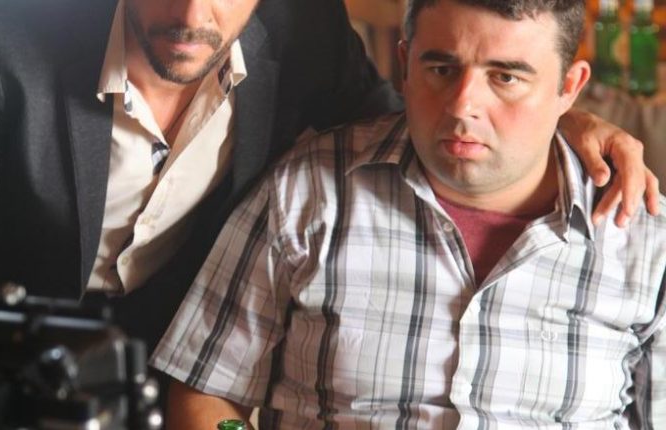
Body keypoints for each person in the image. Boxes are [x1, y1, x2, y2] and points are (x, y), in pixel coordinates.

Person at [0, 0, 658, 358]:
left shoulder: (304, 27)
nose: (192, 14)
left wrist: (559, 120)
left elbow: (425, 122)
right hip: (1, 355)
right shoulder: (2, 27)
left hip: (184, 362)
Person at [150, 0, 666, 428]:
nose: (463, 105)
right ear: (405, 63)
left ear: (569, 88)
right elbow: (205, 390)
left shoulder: (648, 241)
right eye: (441, 70)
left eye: (506, 77)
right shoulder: (306, 191)